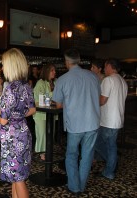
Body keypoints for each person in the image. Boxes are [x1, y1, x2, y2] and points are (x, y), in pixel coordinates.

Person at [52, 49, 100, 195]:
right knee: (87, 155)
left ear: (67, 62)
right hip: (92, 123)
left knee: (72, 155)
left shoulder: (62, 80)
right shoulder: (93, 77)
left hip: (75, 124)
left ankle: (74, 187)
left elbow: (58, 104)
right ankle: (82, 185)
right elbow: (97, 96)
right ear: (78, 61)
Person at [0, 48, 36, 198]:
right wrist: (18, 115)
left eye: (4, 64)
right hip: (24, 132)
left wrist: (0, 115)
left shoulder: (9, 89)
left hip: (12, 137)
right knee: (17, 175)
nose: (2, 67)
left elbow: (3, 120)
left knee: (18, 179)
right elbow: (32, 110)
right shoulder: (26, 86)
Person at [94, 58, 128, 180]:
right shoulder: (122, 81)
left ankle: (110, 167)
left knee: (96, 143)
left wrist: (92, 101)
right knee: (111, 145)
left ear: (109, 66)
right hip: (118, 120)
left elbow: (102, 101)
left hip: (108, 120)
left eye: (105, 66)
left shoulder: (108, 80)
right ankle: (111, 167)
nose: (104, 68)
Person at [33, 63, 56, 160]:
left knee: (51, 133)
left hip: (52, 113)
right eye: (52, 70)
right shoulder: (40, 83)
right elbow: (38, 101)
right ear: (46, 71)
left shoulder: (54, 82)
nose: (54, 72)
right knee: (42, 134)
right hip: (41, 114)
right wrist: (53, 96)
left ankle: (48, 151)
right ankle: (42, 154)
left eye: (54, 70)